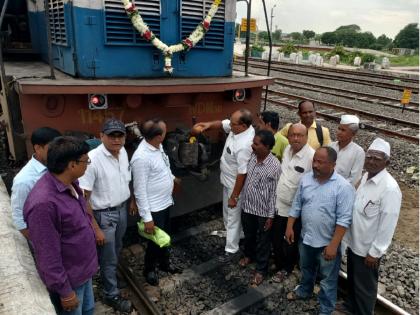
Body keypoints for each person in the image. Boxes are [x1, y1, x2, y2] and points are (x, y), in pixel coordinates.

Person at [23, 136, 98, 315]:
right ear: (72, 165)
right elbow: (47, 254)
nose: (87, 164)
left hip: (83, 272)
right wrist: (65, 292)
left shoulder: (71, 183)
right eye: (85, 161)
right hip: (70, 280)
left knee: (88, 309)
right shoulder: (44, 204)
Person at [285, 147, 354, 315]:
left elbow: (344, 220)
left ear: (333, 165)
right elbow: (297, 204)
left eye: (320, 162)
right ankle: (305, 291)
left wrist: (333, 245)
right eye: (314, 160)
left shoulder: (343, 187)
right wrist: (289, 226)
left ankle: (326, 309)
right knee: (306, 268)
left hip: (326, 243)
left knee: (328, 280)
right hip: (306, 237)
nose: (315, 165)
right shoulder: (306, 180)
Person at [339, 138, 401, 315]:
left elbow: (388, 224)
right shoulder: (366, 177)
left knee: (365, 286)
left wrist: (376, 251)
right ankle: (350, 306)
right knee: (353, 279)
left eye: (377, 159)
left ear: (386, 162)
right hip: (354, 242)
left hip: (368, 249)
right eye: (369, 157)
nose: (371, 162)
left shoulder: (389, 188)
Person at [78, 119, 133, 312]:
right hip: (104, 216)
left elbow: (125, 180)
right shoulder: (92, 160)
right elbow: (84, 198)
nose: (116, 140)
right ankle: (111, 294)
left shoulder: (123, 152)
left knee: (117, 248)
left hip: (121, 210)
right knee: (108, 257)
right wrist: (95, 227)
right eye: (111, 136)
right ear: (101, 136)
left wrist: (131, 201)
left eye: (120, 135)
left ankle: (109, 277)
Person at [193, 109, 254, 262]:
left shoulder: (245, 145)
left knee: (233, 214)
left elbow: (242, 173)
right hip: (227, 179)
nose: (230, 126)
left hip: (235, 184)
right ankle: (235, 234)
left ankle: (231, 249)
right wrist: (208, 125)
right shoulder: (236, 128)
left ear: (243, 126)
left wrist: (235, 196)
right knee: (227, 211)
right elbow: (222, 124)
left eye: (233, 124)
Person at [131, 118, 181, 286]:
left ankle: (164, 263)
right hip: (154, 208)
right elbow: (139, 190)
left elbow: (164, 168)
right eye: (165, 131)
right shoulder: (141, 158)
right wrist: (147, 218)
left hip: (165, 202)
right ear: (159, 136)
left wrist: (173, 178)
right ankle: (149, 269)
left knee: (165, 237)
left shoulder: (157, 147)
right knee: (154, 241)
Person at [271, 123, 315, 283]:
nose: (296, 138)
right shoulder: (287, 150)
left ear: (306, 137)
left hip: (295, 210)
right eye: (292, 135)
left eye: (300, 135)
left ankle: (287, 268)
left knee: (290, 240)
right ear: (288, 136)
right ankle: (278, 263)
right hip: (278, 205)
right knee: (276, 237)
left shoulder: (311, 157)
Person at [239, 130, 281, 286]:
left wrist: (270, 216)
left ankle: (261, 270)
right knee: (248, 235)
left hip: (263, 211)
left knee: (264, 242)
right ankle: (248, 255)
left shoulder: (275, 166)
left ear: (267, 146)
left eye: (256, 144)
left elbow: (275, 193)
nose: (252, 146)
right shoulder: (251, 157)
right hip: (247, 206)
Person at [11, 127, 61, 238]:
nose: (57, 152)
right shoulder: (24, 180)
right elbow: (19, 217)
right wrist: (40, 243)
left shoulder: (58, 167)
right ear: (38, 148)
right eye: (52, 148)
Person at [330, 115, 365, 187]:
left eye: (343, 130)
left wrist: (336, 187)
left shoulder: (358, 152)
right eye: (339, 128)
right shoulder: (330, 146)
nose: (339, 132)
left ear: (353, 134)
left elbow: (354, 179)